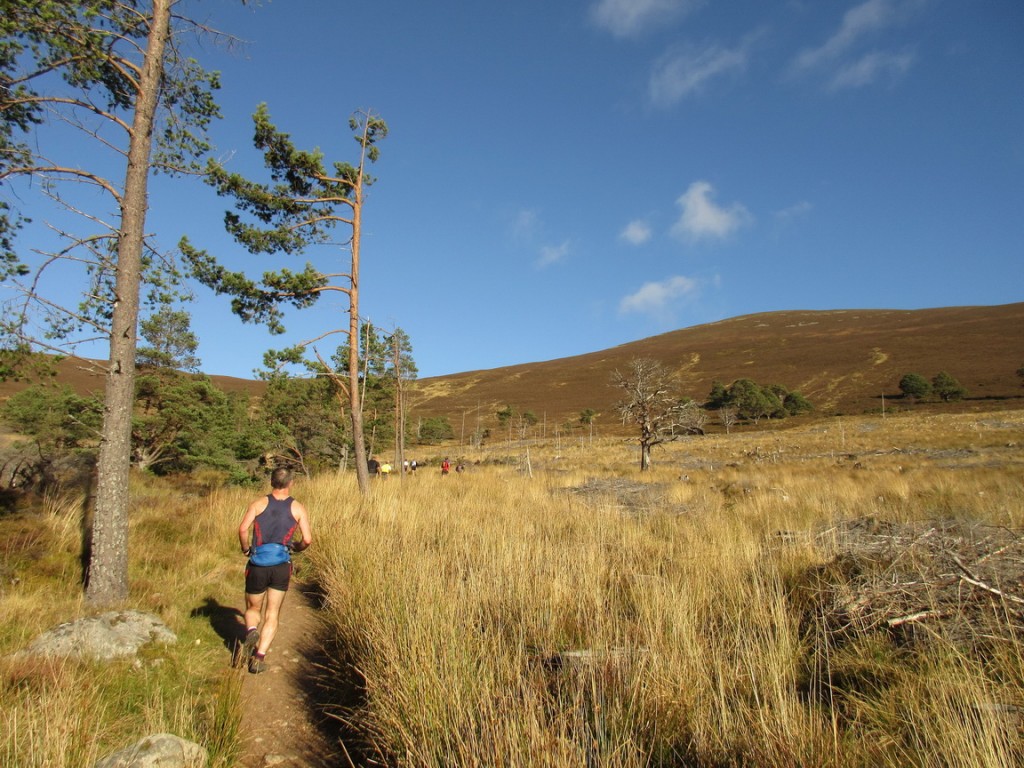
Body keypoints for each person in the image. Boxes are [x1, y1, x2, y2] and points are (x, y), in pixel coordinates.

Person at [237, 467, 312, 674]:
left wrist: (246, 548)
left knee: (253, 608)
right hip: (280, 565)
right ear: (291, 483)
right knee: (273, 612)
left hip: (258, 563)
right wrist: (296, 547)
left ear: (271, 482)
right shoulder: (297, 508)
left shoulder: (258, 504)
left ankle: (251, 630)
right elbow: (307, 539)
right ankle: (259, 657)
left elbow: (243, 529)